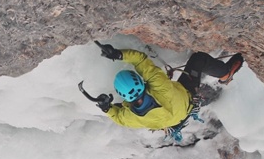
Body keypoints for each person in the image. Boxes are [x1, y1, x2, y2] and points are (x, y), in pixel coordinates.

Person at [79, 42, 244, 131]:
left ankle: (224, 75)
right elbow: (140, 60)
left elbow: (119, 118)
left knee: (125, 109)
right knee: (199, 60)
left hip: (175, 118)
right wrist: (118, 54)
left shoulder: (131, 118)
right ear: (139, 80)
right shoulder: (158, 84)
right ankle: (225, 74)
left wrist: (107, 108)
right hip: (184, 97)